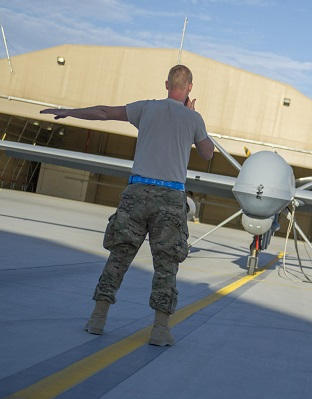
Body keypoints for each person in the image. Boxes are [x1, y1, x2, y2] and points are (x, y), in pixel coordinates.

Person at [40, 65, 214, 346]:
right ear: (190, 87)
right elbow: (207, 154)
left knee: (119, 257)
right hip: (170, 197)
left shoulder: (146, 108)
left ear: (166, 84)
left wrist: (71, 112)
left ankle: (98, 318)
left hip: (137, 191)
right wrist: (194, 118)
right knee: (166, 266)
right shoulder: (193, 118)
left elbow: (105, 112)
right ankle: (159, 330)